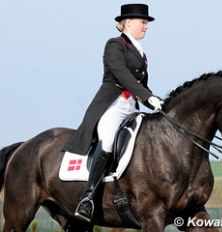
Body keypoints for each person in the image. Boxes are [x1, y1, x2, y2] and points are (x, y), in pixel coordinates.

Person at [62, 3, 164, 222]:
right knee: (107, 141)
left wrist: (156, 102)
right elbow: (122, 75)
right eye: (143, 22)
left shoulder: (141, 52)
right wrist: (148, 96)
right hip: (112, 106)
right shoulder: (114, 45)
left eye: (146, 23)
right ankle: (87, 199)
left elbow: (138, 86)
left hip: (131, 108)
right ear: (128, 23)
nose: (146, 27)